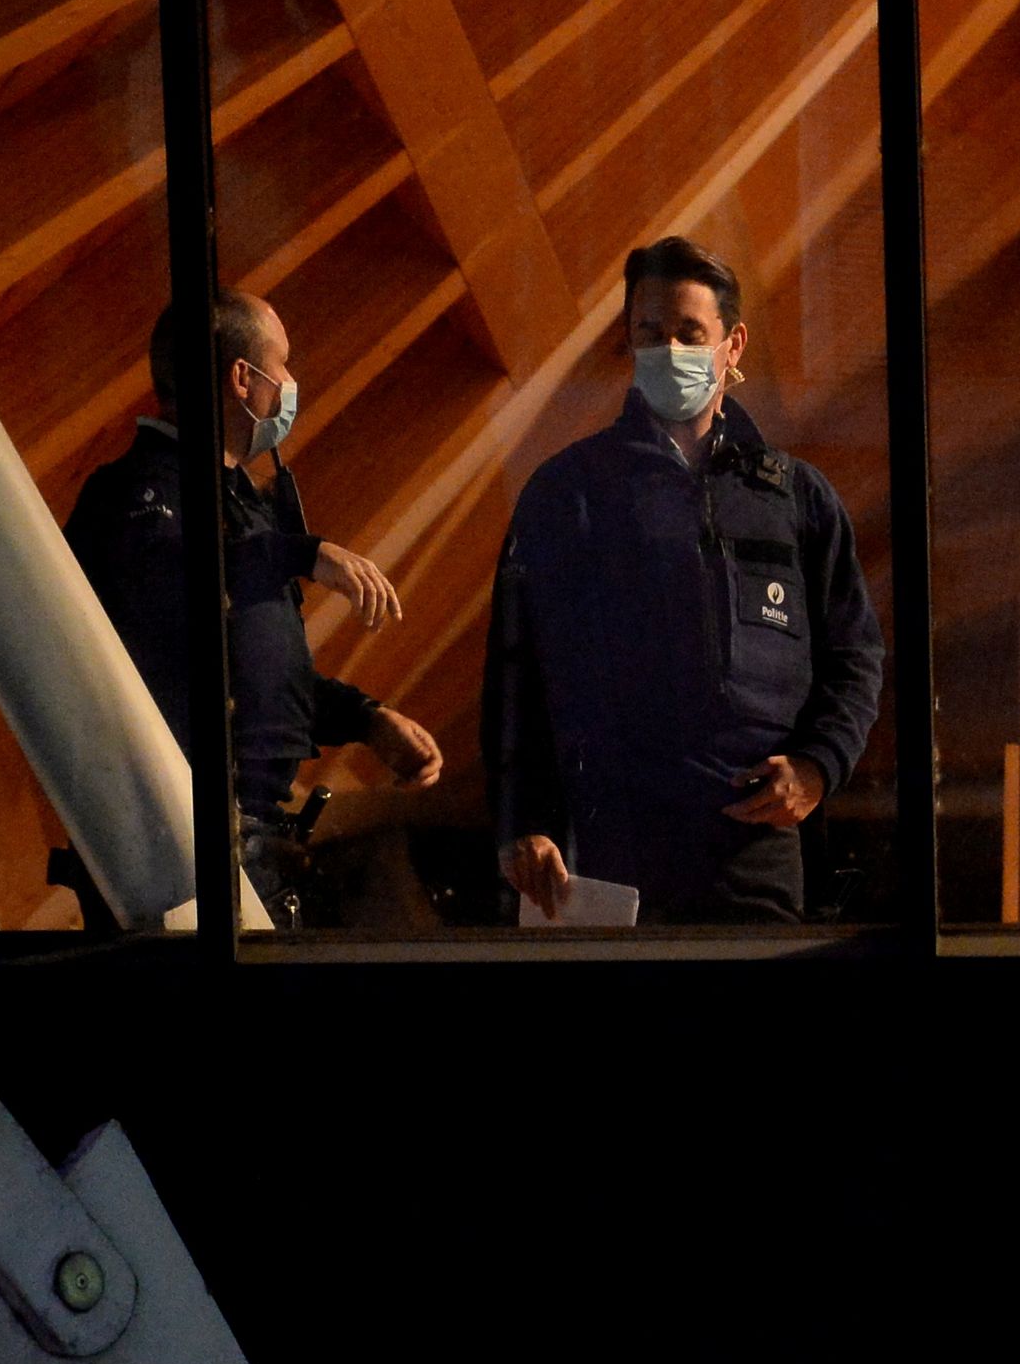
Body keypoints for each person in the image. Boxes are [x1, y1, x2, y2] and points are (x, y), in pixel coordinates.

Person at [485, 237, 885, 924]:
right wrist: (523, 819)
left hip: (754, 850)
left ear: (732, 345)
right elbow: (515, 672)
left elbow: (855, 657)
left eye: (689, 333)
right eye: (650, 332)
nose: (668, 350)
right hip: (610, 851)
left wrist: (819, 765)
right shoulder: (569, 493)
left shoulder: (796, 499)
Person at [65, 289, 442, 913]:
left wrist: (368, 720)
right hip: (178, 840)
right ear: (243, 378)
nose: (291, 384)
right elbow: (168, 590)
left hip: (249, 839)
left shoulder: (241, 502)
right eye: (284, 364)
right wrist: (302, 552)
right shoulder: (133, 494)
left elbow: (256, 672)